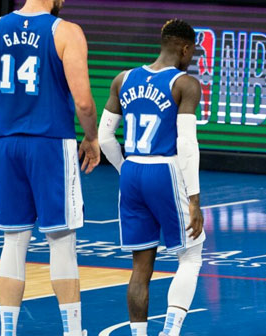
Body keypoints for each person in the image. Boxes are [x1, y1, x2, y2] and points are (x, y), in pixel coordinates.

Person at [0, 0, 100, 336]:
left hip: (6, 144)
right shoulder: (66, 31)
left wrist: (14, 113)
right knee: (61, 239)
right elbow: (83, 102)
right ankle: (73, 330)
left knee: (13, 241)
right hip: (49, 143)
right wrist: (92, 138)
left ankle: (6, 330)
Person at [97, 19, 205, 336]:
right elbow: (186, 144)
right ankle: (170, 332)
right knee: (191, 253)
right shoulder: (185, 84)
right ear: (185, 48)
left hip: (131, 170)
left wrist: (126, 169)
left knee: (141, 267)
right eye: (193, 51)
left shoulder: (123, 79)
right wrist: (195, 198)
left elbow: (105, 139)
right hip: (165, 169)